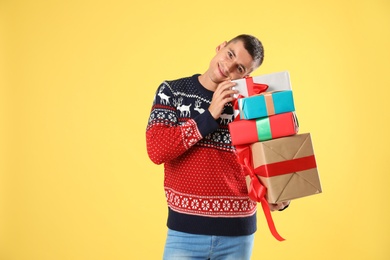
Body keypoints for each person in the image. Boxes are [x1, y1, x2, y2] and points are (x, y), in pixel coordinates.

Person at [146, 34, 290, 260]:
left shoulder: (250, 103)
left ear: (246, 75)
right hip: (185, 233)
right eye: (229, 54)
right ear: (220, 47)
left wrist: (278, 194)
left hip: (238, 235)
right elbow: (157, 150)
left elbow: (269, 156)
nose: (228, 67)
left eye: (239, 68)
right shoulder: (172, 91)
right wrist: (209, 115)